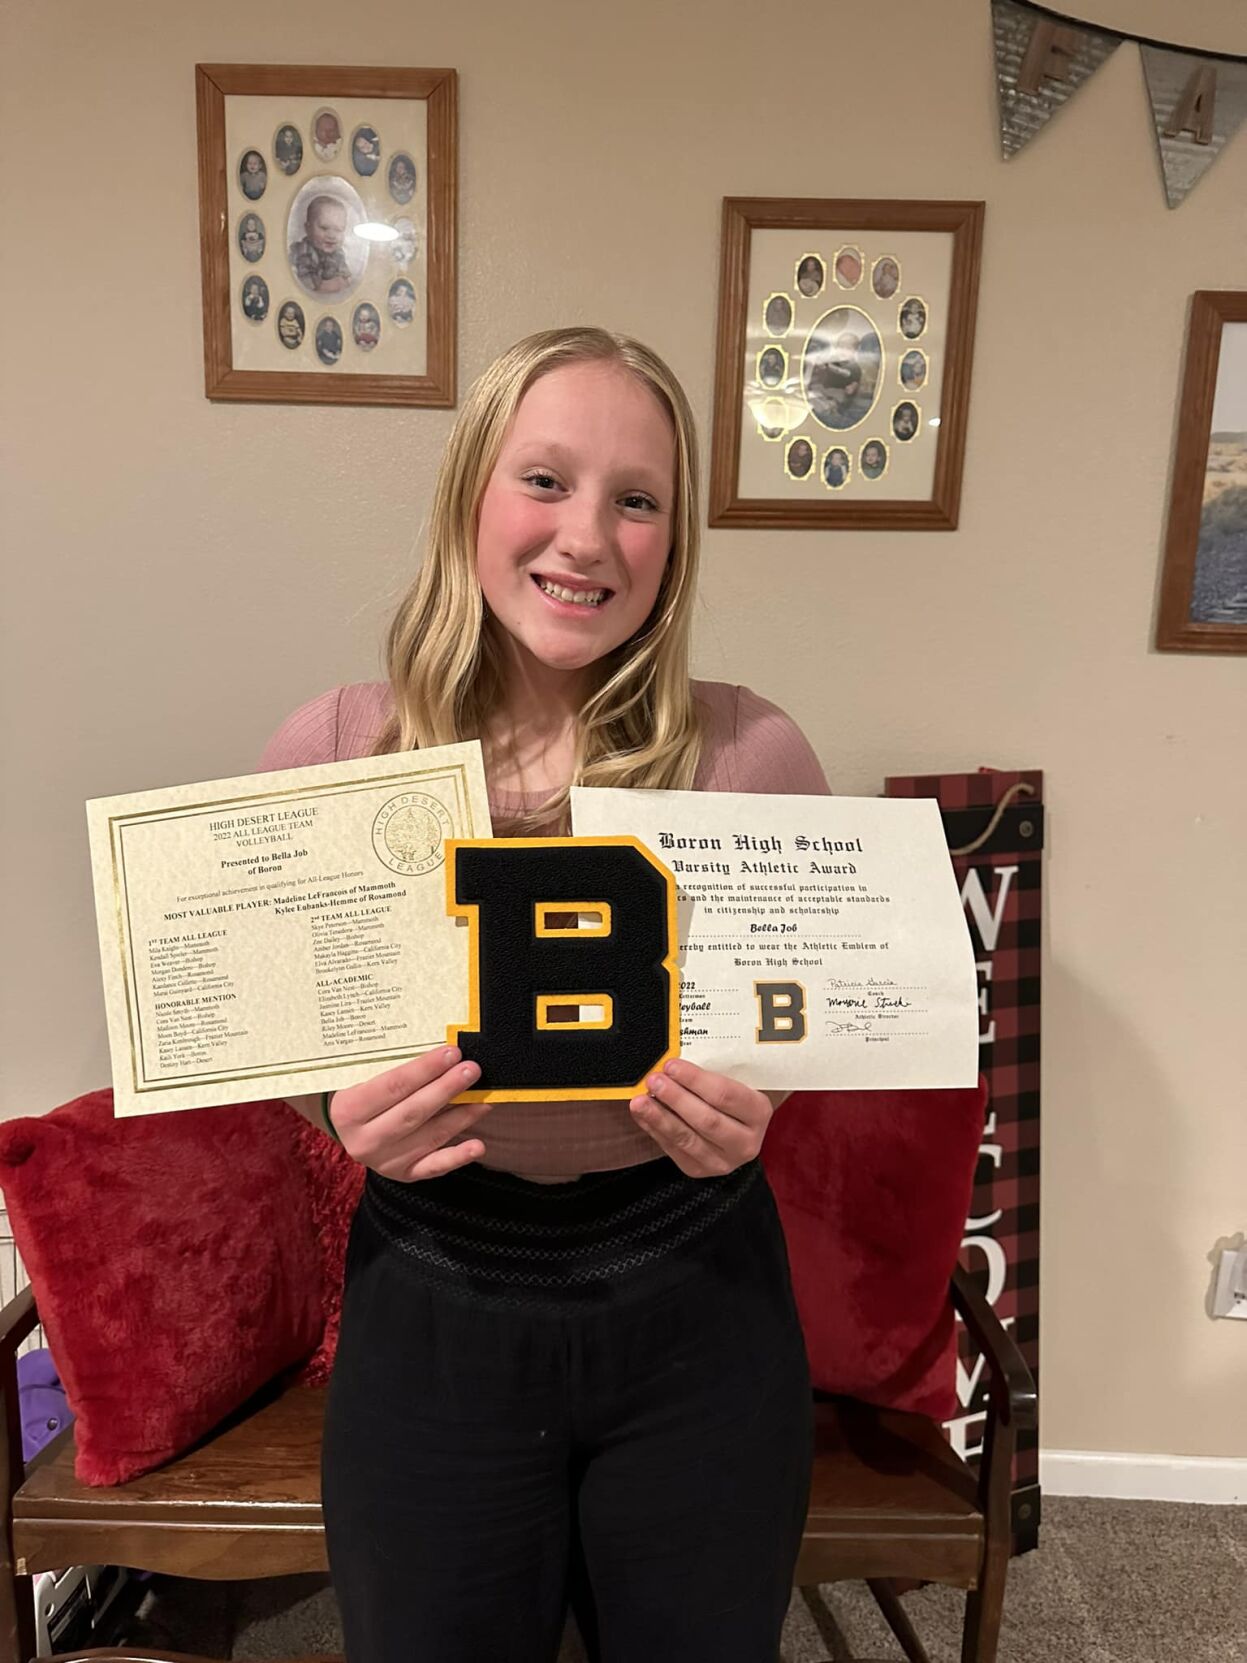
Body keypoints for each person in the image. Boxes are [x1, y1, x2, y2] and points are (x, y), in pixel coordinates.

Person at [258, 328, 828, 1663]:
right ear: (468, 495)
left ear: (672, 545)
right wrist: (331, 1111)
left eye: (636, 500)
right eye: (545, 480)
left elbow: (800, 1013)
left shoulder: (751, 755)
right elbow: (277, 1033)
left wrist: (762, 1100)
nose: (588, 535)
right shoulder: (338, 751)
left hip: (698, 1290)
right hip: (434, 1295)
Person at [289, 196, 353, 295]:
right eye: (324, 228)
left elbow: (346, 276)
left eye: (338, 230)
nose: (331, 235)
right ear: (308, 228)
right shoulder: (303, 251)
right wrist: (328, 285)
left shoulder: (338, 253)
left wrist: (346, 280)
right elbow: (304, 283)